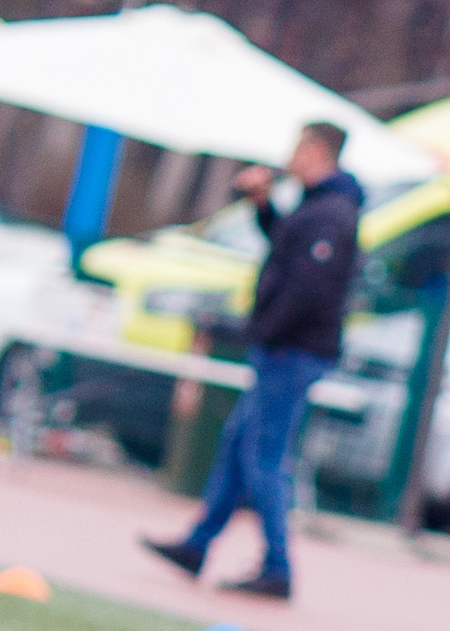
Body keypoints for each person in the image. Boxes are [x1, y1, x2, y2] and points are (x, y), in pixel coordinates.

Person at [142, 122, 362, 599]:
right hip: (283, 349)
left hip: (292, 352)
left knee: (263, 457)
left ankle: (278, 566)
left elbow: (308, 289)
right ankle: (198, 545)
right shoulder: (316, 206)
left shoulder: (332, 214)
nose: (290, 156)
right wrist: (263, 206)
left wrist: (261, 331)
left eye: (299, 146)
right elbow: (287, 245)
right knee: (239, 446)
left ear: (316, 150)